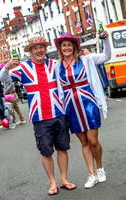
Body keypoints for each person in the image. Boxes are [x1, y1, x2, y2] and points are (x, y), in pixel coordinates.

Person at [0, 36, 76, 195]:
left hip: (59, 113)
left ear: (45, 49)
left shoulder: (54, 64)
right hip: (40, 118)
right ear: (31, 51)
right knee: (46, 151)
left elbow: (71, 63)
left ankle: (64, 179)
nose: (39, 50)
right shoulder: (23, 68)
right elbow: (3, 78)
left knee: (62, 148)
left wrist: (83, 53)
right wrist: (6, 67)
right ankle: (53, 182)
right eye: (36, 48)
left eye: (41, 47)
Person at [54, 30, 111, 189]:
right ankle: (92, 174)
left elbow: (106, 57)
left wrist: (106, 40)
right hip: (71, 108)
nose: (66, 48)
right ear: (60, 49)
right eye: (63, 45)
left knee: (93, 141)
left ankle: (100, 168)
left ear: (74, 47)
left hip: (88, 104)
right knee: (84, 142)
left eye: (69, 45)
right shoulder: (56, 66)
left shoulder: (86, 59)